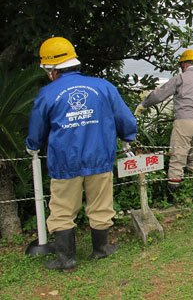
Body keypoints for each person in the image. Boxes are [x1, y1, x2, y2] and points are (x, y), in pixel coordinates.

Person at [26, 37, 137, 271]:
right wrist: (128, 136)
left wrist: (32, 145)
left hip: (65, 162)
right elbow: (125, 119)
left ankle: (66, 260)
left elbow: (36, 130)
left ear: (51, 69)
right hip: (100, 158)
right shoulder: (104, 87)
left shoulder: (47, 94)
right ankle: (101, 249)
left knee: (63, 209)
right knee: (101, 205)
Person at [135, 49, 193, 194]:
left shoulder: (181, 78)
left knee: (178, 156)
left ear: (184, 64)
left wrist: (143, 105)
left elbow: (160, 95)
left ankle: (174, 194)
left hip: (184, 123)